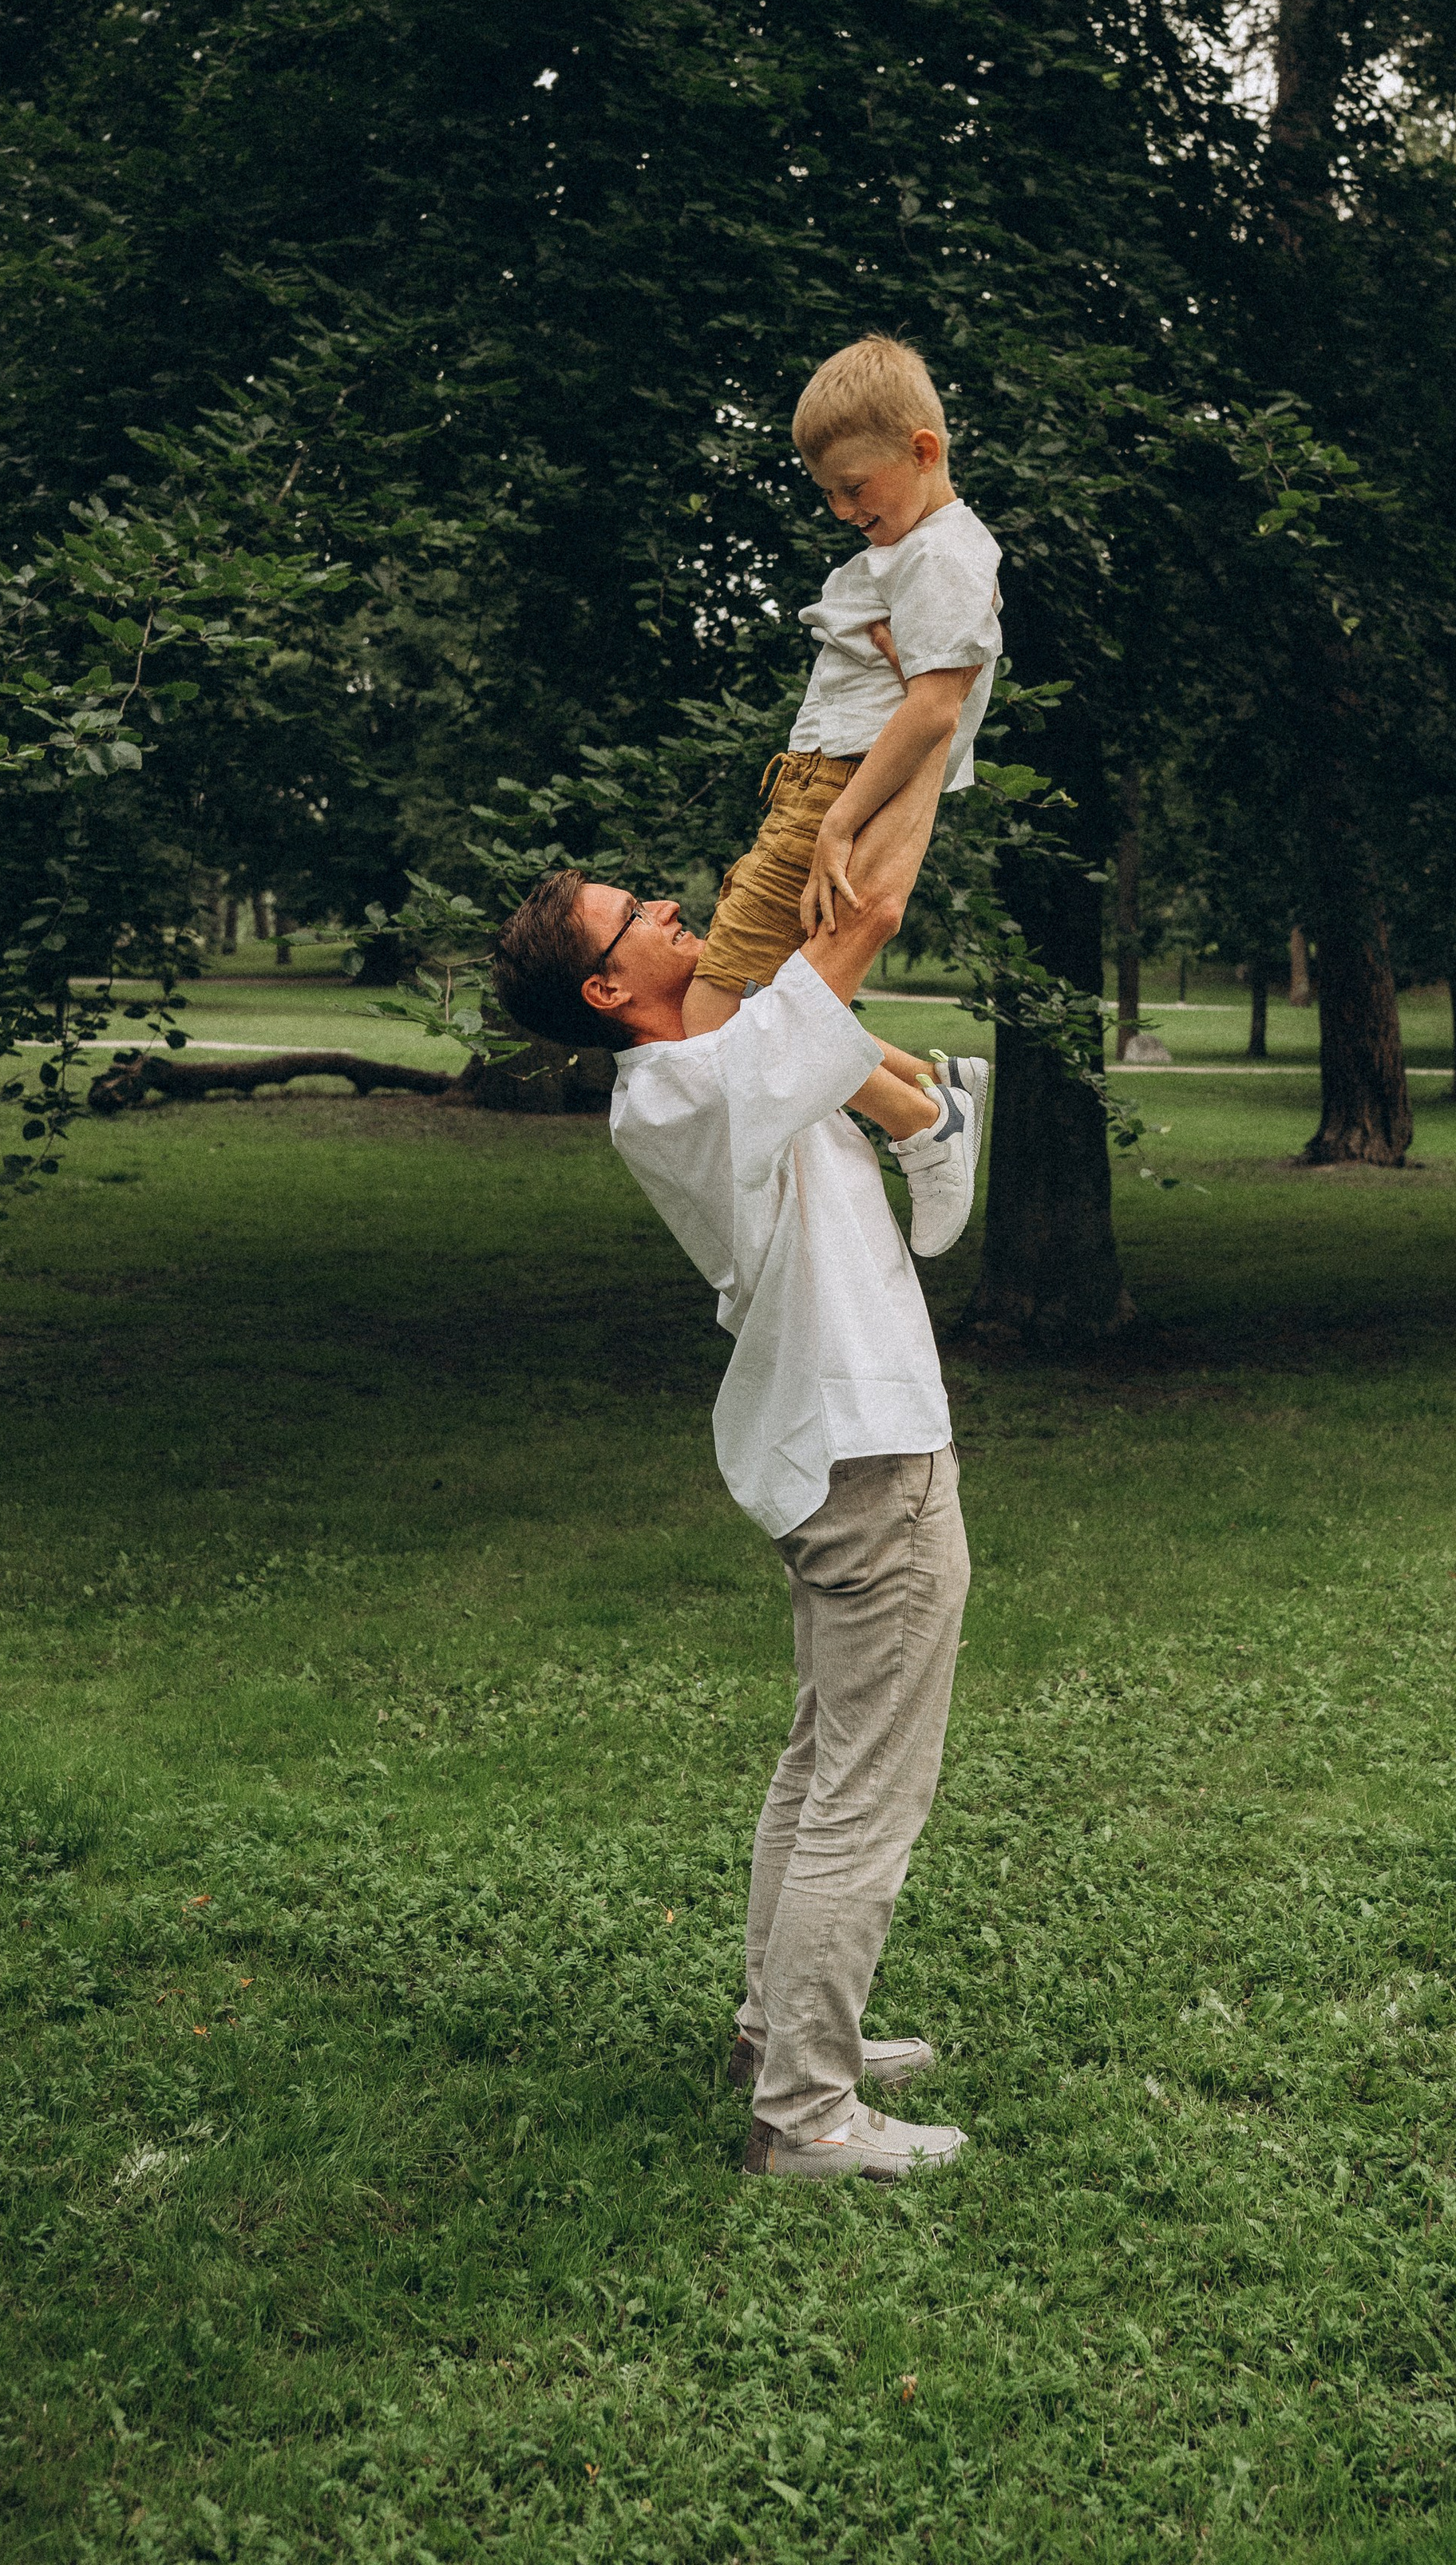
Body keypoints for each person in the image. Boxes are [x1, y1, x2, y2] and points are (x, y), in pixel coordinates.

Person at [490, 792, 975, 2184]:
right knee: (866, 1792)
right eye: (635, 917)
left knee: (826, 1756)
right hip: (868, 1456)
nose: (667, 908)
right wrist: (889, 775)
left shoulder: (702, 1069)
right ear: (608, 986)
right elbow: (868, 913)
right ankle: (811, 2113)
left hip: (829, 1449)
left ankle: (778, 2034)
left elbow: (832, 1031)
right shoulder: (701, 1085)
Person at [682, 335, 1003, 1120]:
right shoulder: (919, 553)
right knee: (781, 999)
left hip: (841, 780)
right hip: (828, 773)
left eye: (854, 487)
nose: (843, 510)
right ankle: (934, 1090)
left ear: (923, 451)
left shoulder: (939, 557)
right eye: (827, 493)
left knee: (713, 1012)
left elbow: (936, 708)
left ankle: (922, 1123)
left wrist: (838, 821)